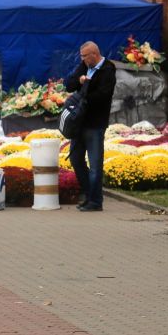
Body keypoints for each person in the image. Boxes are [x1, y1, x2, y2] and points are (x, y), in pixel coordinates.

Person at [64, 41, 116, 212]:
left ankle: (96, 201)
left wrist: (85, 89)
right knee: (76, 159)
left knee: (95, 165)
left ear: (94, 54)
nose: (83, 59)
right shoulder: (84, 66)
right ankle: (88, 195)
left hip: (95, 124)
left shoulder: (108, 69)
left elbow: (102, 95)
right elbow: (69, 84)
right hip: (79, 123)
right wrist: (80, 81)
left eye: (85, 56)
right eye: (82, 56)